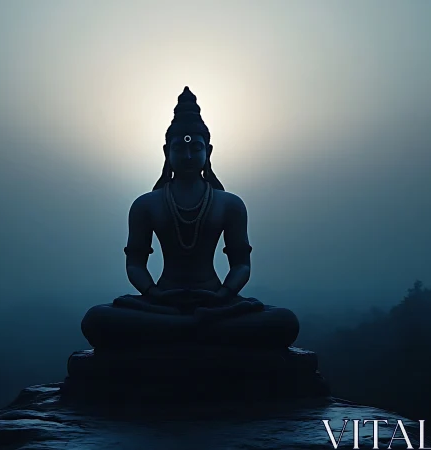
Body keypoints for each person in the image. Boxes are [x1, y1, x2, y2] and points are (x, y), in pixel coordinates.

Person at [81, 87, 299, 350]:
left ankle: (184, 329)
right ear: (166, 151)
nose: (187, 156)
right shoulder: (146, 205)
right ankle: (194, 328)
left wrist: (222, 296)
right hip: (162, 303)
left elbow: (241, 265)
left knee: (284, 321)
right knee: (97, 319)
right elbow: (135, 265)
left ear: (208, 150)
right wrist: (155, 294)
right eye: (179, 148)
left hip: (216, 302)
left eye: (195, 148)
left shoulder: (229, 204)